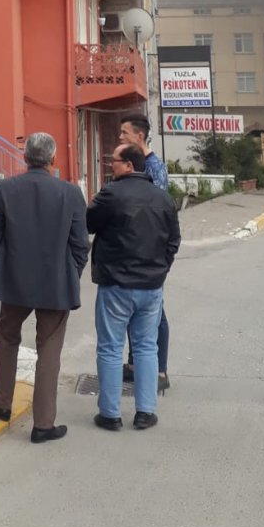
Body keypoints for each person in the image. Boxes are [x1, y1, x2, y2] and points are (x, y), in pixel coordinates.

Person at [0, 132, 89, 444]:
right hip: (56, 285)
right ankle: (43, 423)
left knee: (7, 336)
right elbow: (81, 245)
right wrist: (70, 272)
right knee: (49, 350)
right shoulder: (70, 193)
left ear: (26, 157)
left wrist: (4, 264)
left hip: (14, 281)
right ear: (53, 159)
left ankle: (2, 401)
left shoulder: (7, 188)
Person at [87, 142, 180, 432]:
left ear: (128, 165)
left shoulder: (110, 194)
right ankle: (145, 412)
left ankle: (110, 414)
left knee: (111, 347)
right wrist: (160, 269)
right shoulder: (162, 198)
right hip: (151, 286)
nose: (109, 165)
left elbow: (89, 224)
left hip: (115, 284)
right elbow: (173, 241)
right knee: (146, 347)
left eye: (113, 160)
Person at [119, 111, 171, 392]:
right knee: (132, 311)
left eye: (124, 133)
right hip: (132, 252)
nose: (121, 138)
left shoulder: (155, 168)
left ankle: (160, 370)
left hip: (150, 254)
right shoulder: (135, 166)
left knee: (156, 313)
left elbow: (158, 213)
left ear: (138, 136)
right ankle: (134, 364)